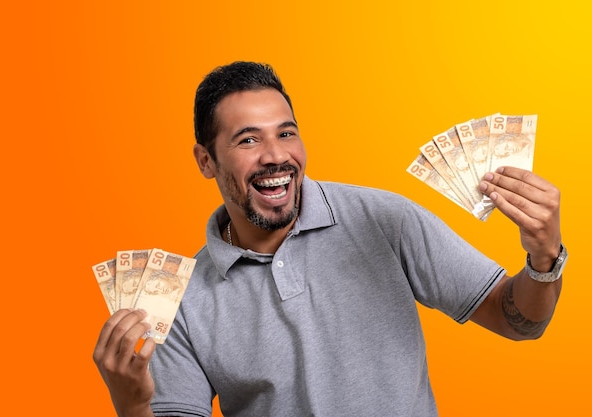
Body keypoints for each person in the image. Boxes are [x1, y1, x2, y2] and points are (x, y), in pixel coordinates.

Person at [93, 61, 566, 417]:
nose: (276, 155)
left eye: (287, 132)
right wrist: (135, 408)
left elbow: (519, 320)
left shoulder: (385, 219)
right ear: (205, 161)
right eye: (248, 140)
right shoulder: (181, 301)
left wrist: (544, 256)